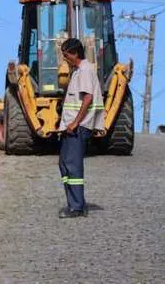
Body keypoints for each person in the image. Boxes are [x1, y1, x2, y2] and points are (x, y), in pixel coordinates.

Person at [58, 38, 104, 218]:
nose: (65, 58)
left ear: (75, 53)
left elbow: (87, 98)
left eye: (66, 54)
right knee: (64, 164)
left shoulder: (85, 71)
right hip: (70, 127)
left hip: (78, 127)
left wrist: (76, 123)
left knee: (73, 165)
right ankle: (75, 203)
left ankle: (76, 207)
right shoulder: (78, 71)